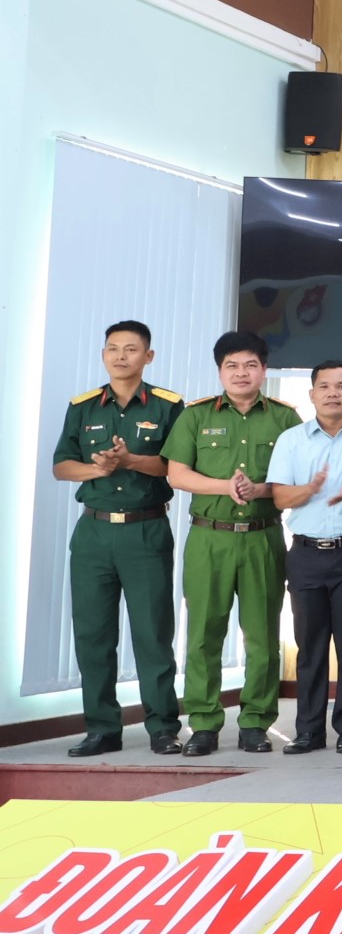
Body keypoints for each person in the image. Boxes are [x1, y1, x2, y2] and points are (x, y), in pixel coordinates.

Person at [161, 331, 301, 756]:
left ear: (264, 369)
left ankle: (256, 722)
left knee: (262, 636)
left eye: (250, 365)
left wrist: (260, 490)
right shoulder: (196, 416)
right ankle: (204, 724)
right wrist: (226, 486)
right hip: (209, 537)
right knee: (204, 634)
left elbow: (296, 478)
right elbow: (176, 474)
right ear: (220, 371)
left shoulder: (285, 418)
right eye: (232, 366)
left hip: (263, 537)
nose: (242, 373)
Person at [50, 320, 185, 757]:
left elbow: (176, 467)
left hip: (146, 530)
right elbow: (61, 465)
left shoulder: (168, 406)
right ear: (103, 355)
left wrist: (131, 460)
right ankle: (102, 729)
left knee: (152, 633)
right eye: (113, 348)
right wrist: (98, 469)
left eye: (131, 349)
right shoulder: (83, 406)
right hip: (93, 533)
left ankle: (163, 727)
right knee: (92, 634)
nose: (121, 356)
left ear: (148, 356)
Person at [266, 360, 342, 755]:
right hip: (306, 555)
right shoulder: (291, 440)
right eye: (325, 386)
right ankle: (308, 730)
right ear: (312, 393)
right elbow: (280, 497)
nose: (333, 393)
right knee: (309, 645)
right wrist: (311, 489)